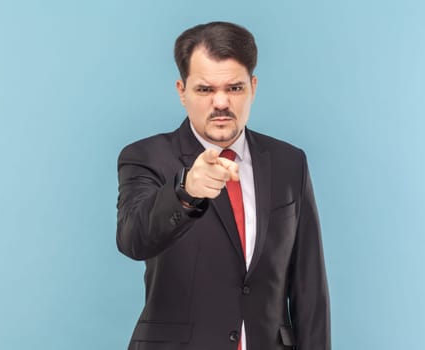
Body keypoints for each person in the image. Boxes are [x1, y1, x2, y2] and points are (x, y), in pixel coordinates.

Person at [116, 21, 330, 350]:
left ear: (253, 87)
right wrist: (185, 191)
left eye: (234, 88)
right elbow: (134, 239)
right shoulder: (146, 157)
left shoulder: (290, 163)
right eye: (205, 90)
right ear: (181, 91)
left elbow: (309, 287)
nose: (221, 102)